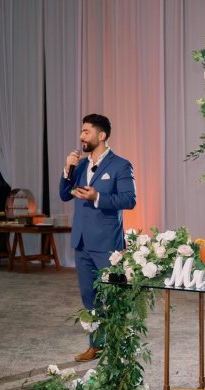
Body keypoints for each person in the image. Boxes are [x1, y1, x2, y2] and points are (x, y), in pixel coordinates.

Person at [59, 114, 136, 362]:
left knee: (113, 297)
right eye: (81, 131)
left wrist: (97, 198)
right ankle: (96, 345)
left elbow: (129, 200)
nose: (81, 136)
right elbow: (64, 194)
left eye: (86, 132)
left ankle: (117, 348)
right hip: (81, 242)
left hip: (107, 244)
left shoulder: (121, 165)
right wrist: (68, 169)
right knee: (89, 298)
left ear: (101, 136)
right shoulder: (80, 165)